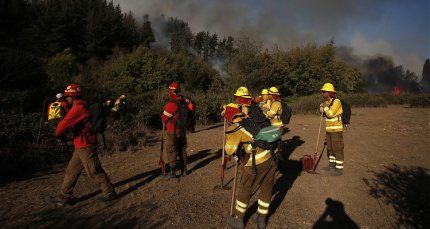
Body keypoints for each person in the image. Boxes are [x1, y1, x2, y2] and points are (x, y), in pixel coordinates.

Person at [48, 83, 117, 206]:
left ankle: (110, 193)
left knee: (94, 170)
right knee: (71, 171)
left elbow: (62, 126)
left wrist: (57, 133)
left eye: (67, 97)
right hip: (80, 145)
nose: (66, 99)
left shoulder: (78, 108)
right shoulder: (80, 105)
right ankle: (63, 197)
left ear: (72, 97)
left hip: (86, 145)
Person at [223, 103, 276, 229]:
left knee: (245, 192)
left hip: (254, 165)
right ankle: (261, 219)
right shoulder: (252, 120)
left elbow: (229, 150)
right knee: (266, 191)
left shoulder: (234, 129)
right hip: (270, 160)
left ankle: (238, 220)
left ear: (229, 118)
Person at [161, 82, 188, 178]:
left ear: (172, 91)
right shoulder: (183, 101)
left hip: (172, 131)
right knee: (182, 149)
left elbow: (164, 119)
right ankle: (184, 170)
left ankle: (172, 172)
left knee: (171, 150)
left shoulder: (170, 104)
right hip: (182, 130)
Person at [319, 83, 344, 176]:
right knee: (330, 148)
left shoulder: (337, 101)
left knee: (337, 148)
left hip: (336, 130)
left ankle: (339, 168)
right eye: (322, 91)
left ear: (329, 92)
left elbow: (330, 114)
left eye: (324, 91)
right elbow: (323, 112)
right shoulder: (326, 102)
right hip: (328, 130)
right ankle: (331, 165)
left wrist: (324, 107)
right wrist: (322, 108)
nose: (322, 93)